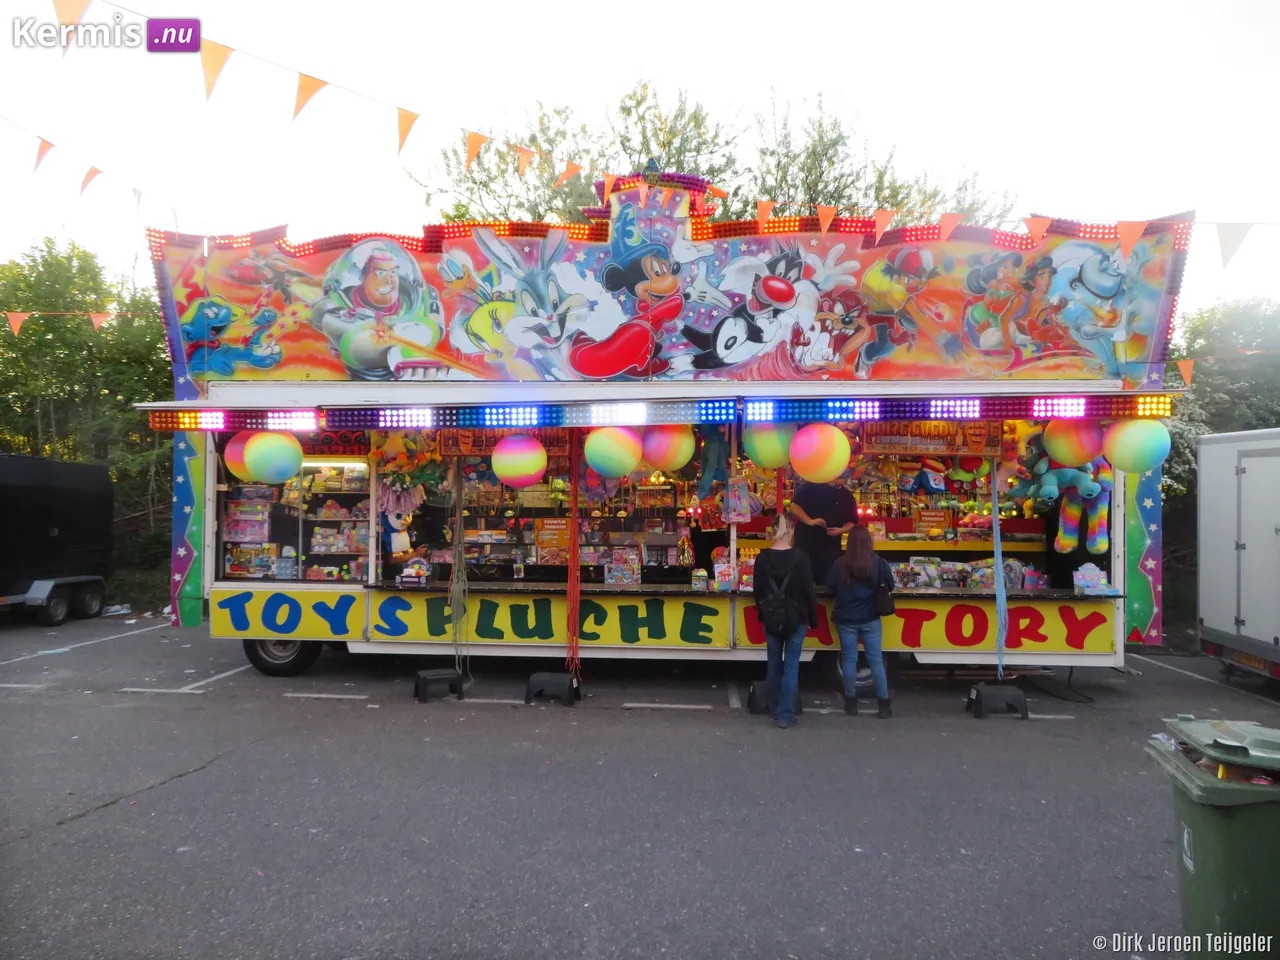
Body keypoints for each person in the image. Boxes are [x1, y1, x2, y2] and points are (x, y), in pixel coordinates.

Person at [753, 513, 818, 729]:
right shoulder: (801, 558)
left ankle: (773, 707)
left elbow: (758, 591)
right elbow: (809, 592)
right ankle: (786, 714)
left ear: (771, 532)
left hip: (771, 617)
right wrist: (813, 619)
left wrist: (763, 612)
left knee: (773, 663)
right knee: (791, 666)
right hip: (796, 617)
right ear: (791, 532)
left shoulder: (762, 558)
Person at [826, 525, 894, 718]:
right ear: (869, 542)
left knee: (849, 659)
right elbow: (890, 584)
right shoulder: (878, 563)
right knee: (876, 661)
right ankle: (883, 705)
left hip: (846, 619)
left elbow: (831, 586)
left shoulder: (840, 564)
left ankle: (851, 703)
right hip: (871, 618)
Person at [788, 478, 856, 584]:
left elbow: (853, 521)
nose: (844, 479)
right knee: (801, 581)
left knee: (826, 583)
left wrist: (841, 530)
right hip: (806, 542)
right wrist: (809, 521)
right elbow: (794, 506)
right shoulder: (812, 486)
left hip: (830, 547)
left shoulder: (847, 495)